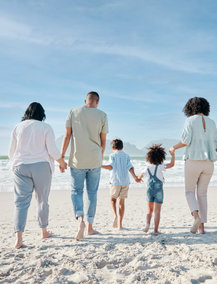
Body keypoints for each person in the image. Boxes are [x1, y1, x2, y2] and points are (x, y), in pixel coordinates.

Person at [9, 102, 67, 249]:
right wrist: (61, 162)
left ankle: (19, 239)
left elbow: (12, 151)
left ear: (27, 113)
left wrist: (14, 165)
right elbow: (52, 149)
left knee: (20, 203)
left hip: (20, 166)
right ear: (42, 114)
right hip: (41, 166)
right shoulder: (46, 127)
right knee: (42, 200)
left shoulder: (18, 127)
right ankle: (44, 231)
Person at [170, 97, 217, 234]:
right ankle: (202, 228)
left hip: (193, 161)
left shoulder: (189, 121)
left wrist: (173, 148)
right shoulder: (212, 122)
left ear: (189, 108)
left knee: (189, 192)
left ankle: (196, 217)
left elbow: (185, 141)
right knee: (202, 194)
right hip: (209, 164)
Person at [60, 91, 108, 240]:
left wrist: (61, 157)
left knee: (76, 191)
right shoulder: (102, 115)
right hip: (94, 159)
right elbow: (103, 140)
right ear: (97, 101)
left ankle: (80, 220)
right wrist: (99, 157)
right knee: (92, 193)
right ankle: (90, 227)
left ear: (85, 100)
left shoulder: (73, 112)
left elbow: (67, 136)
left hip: (77, 160)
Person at [101, 139, 140, 230]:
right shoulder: (126, 156)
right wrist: (135, 177)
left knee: (112, 200)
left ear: (112, 147)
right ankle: (120, 225)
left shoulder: (112, 155)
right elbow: (130, 167)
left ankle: (115, 216)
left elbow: (111, 166)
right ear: (122, 147)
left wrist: (100, 165)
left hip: (115, 181)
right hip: (125, 182)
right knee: (121, 203)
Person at [137, 144, 175, 235]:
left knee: (149, 210)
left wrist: (139, 178)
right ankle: (155, 230)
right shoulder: (161, 167)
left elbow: (139, 176)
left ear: (149, 158)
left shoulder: (147, 168)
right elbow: (171, 164)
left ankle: (147, 224)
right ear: (161, 157)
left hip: (149, 191)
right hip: (159, 191)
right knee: (157, 211)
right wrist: (173, 155)